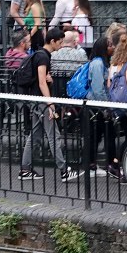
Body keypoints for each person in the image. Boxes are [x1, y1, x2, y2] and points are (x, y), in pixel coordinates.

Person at [18, 28, 77, 181]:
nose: (62, 45)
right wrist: (50, 104)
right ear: (52, 41)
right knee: (53, 135)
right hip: (42, 102)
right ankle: (64, 170)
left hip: (36, 100)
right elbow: (42, 82)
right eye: (60, 42)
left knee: (35, 135)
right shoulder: (43, 57)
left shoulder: (39, 54)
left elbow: (42, 78)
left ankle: (25, 169)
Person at [102, 34, 127, 179]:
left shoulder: (113, 64)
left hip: (115, 105)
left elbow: (109, 85)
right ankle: (122, 166)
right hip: (126, 106)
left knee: (122, 136)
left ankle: (117, 164)